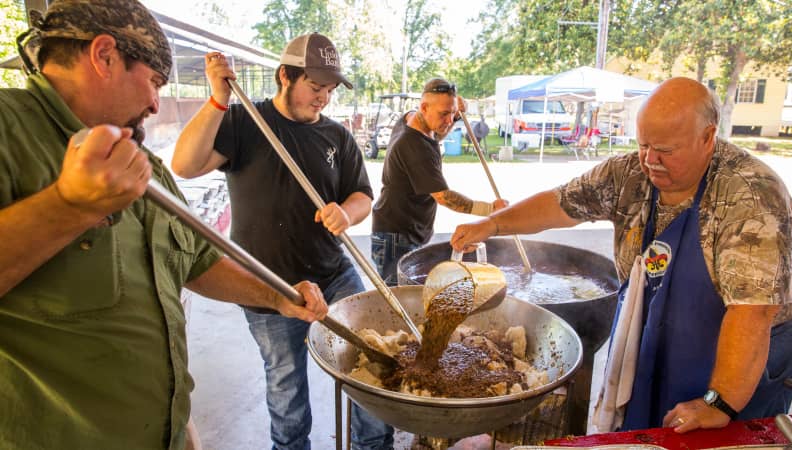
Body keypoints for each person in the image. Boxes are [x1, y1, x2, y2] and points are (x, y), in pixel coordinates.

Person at [0, 1, 328, 450]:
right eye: (154, 82)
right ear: (104, 55)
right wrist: (68, 206)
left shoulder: (143, 163)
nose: (156, 104)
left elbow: (196, 260)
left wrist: (279, 298)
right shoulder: (7, 129)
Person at [451, 77, 792, 433]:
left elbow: (753, 314)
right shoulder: (629, 174)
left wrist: (719, 402)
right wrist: (493, 225)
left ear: (707, 138)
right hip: (661, 329)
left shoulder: (751, 196)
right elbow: (561, 203)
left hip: (744, 351)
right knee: (645, 429)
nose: (651, 160)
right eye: (644, 144)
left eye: (665, 149)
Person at [171, 34, 394, 450]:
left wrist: (346, 212)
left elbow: (363, 195)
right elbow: (184, 165)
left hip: (334, 273)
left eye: (329, 89)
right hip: (268, 284)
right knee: (286, 385)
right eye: (315, 87)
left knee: (372, 360)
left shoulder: (337, 137)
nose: (323, 98)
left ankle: (374, 445)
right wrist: (218, 99)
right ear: (285, 76)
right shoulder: (244, 122)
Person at [371, 78, 507, 285]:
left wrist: (454, 112)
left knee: (412, 291)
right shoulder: (416, 148)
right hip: (397, 236)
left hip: (407, 228)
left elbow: (436, 133)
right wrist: (490, 209)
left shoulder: (410, 118)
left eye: (453, 113)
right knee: (400, 295)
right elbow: (445, 197)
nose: (450, 120)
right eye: (444, 114)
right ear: (424, 107)